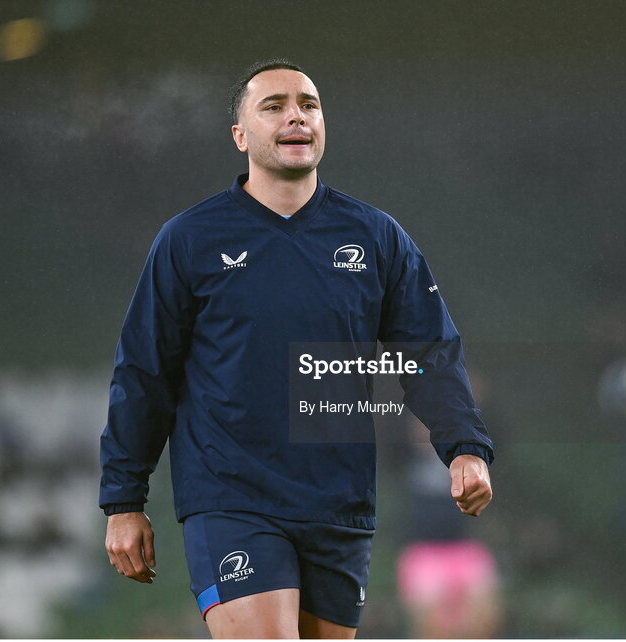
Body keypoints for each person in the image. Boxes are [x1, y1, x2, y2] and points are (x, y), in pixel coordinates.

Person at [99, 59, 494, 639]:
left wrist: (464, 447)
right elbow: (143, 372)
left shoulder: (376, 237)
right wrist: (123, 500)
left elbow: (430, 350)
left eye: (308, 105)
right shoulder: (189, 240)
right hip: (232, 497)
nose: (295, 117)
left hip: (338, 502)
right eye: (274, 106)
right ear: (240, 136)